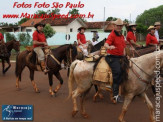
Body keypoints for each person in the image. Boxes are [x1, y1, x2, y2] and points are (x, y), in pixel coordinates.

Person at [104, 18, 126, 103]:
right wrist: (109, 47)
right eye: (118, 26)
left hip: (120, 57)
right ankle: (115, 95)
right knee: (117, 72)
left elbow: (123, 47)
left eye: (121, 26)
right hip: (112, 57)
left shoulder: (121, 35)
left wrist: (125, 55)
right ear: (114, 26)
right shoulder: (112, 35)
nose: (119, 27)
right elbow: (106, 44)